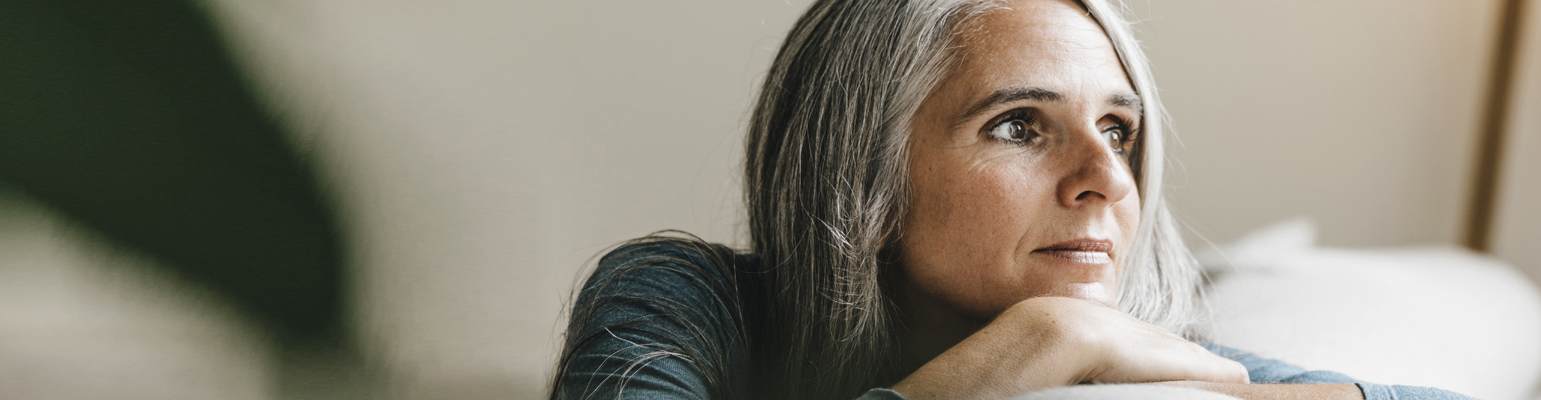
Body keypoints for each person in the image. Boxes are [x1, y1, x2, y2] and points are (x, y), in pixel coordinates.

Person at [551, 0, 1479, 399]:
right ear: (862, 176)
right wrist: (1010, 363)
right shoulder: (683, 302)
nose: (1109, 181)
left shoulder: (1132, 358)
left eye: (1118, 130)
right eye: (1020, 125)